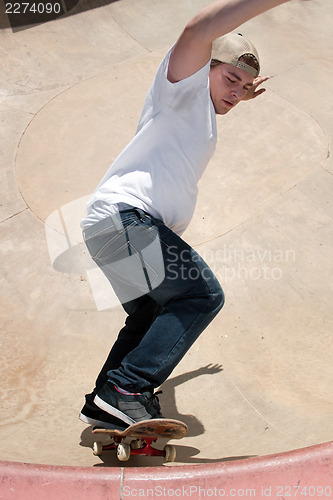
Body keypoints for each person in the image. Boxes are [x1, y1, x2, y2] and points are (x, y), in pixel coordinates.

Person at [79, 0, 307, 429]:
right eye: (230, 79)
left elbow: (227, 83)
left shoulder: (201, 109)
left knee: (148, 315)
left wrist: (237, 85)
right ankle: (126, 389)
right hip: (127, 219)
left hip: (108, 228)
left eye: (245, 87)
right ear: (205, 67)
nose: (236, 92)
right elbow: (197, 31)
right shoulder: (180, 87)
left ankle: (104, 401)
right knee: (201, 295)